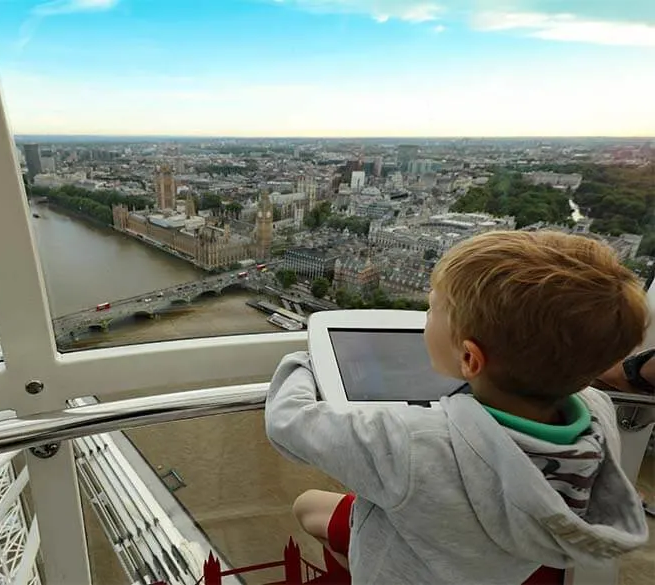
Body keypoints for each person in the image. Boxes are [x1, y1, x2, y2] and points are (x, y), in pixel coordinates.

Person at [265, 230, 650, 585]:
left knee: (308, 504)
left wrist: (307, 358)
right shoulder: (598, 417)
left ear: (470, 358)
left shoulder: (415, 443)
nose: (424, 319)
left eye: (432, 309)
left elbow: (288, 423)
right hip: (497, 568)